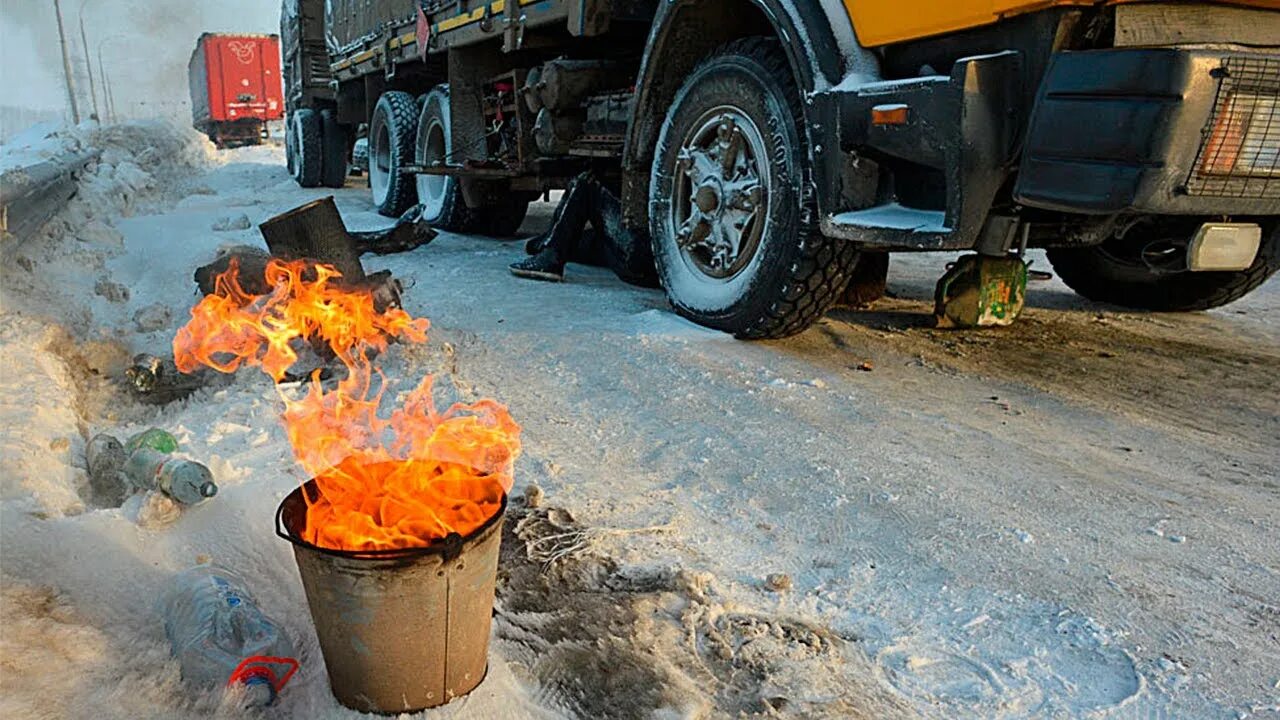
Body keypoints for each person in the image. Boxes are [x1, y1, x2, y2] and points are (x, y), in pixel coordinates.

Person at [510, 171, 658, 287]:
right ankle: (542, 244)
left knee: (587, 182)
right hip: (659, 271)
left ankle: (550, 254)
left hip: (642, 256)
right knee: (591, 240)